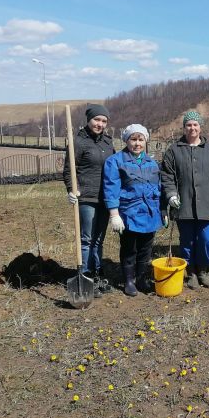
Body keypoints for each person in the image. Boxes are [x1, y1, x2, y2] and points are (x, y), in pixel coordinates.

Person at [161, 111, 209, 289]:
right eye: (188, 125)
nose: (192, 128)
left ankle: (203, 270)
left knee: (207, 240)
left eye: (195, 125)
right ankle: (191, 272)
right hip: (183, 205)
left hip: (207, 205)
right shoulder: (174, 150)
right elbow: (166, 175)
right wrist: (171, 195)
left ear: (200, 127)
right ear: (184, 128)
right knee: (187, 241)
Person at [102, 124, 164, 296]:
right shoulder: (115, 161)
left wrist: (163, 211)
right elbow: (111, 188)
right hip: (129, 213)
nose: (137, 143)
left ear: (146, 141)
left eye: (141, 139)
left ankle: (142, 278)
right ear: (126, 140)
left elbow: (158, 188)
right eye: (133, 139)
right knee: (130, 248)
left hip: (150, 213)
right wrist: (114, 214)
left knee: (146, 248)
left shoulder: (152, 163)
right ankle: (129, 280)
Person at [63, 104, 115, 297]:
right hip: (86, 197)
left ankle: (97, 273)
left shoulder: (108, 142)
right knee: (87, 239)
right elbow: (69, 169)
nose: (100, 124)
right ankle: (85, 275)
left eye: (104, 121)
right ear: (89, 120)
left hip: (106, 197)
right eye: (97, 120)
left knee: (99, 240)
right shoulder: (77, 142)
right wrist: (71, 189)